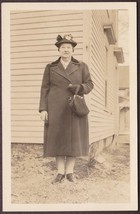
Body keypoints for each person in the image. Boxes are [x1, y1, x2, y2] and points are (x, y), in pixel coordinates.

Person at [39, 34, 94, 183]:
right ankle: (59, 172)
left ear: (73, 50)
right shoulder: (50, 67)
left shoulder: (81, 66)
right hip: (55, 108)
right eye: (63, 47)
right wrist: (43, 109)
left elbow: (90, 85)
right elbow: (44, 88)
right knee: (58, 139)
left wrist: (79, 87)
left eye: (69, 47)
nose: (66, 50)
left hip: (74, 108)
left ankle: (70, 173)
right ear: (59, 50)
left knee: (73, 139)